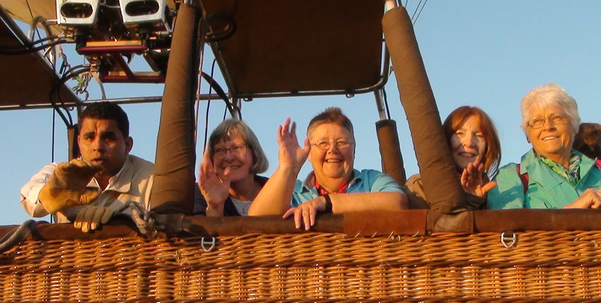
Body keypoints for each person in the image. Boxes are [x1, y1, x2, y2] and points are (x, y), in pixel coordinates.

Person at [248, 107, 407, 229]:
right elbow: (256, 218)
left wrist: (326, 202)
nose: (332, 150)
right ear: (309, 152)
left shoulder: (372, 181)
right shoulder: (293, 193)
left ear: (354, 150)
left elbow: (398, 202)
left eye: (342, 142)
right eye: (323, 143)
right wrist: (288, 167)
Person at [21, 101, 154, 231]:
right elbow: (29, 196)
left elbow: (165, 223)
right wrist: (49, 194)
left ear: (127, 145)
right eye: (90, 138)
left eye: (108, 138)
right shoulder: (61, 174)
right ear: (79, 142)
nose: (97, 147)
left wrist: (120, 220)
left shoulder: (153, 178)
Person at [487, 83, 601, 209]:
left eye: (557, 118)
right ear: (528, 134)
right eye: (537, 121)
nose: (548, 127)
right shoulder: (509, 176)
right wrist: (573, 212)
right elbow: (505, 227)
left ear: (574, 126)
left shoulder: (598, 172)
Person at [405, 106, 502, 209]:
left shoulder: (497, 193)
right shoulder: (420, 187)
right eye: (460, 134)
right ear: (445, 140)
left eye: (479, 135)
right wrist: (470, 201)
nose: (469, 143)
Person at [195, 119, 269, 216]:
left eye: (237, 148)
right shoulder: (200, 194)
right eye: (219, 150)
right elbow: (202, 230)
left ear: (254, 153)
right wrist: (215, 207)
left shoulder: (276, 190)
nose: (228, 157)